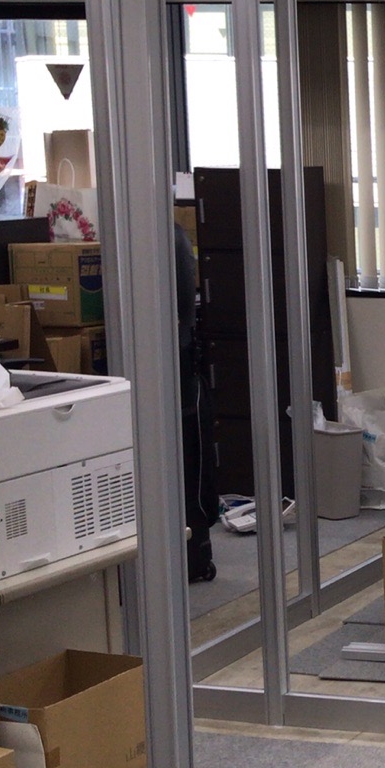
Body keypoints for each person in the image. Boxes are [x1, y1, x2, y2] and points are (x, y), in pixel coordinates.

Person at [177, 222, 217, 582]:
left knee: (187, 469)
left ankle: (194, 555)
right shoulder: (174, 236)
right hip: (181, 368)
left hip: (177, 374)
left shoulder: (166, 238)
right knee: (189, 469)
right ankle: (194, 556)